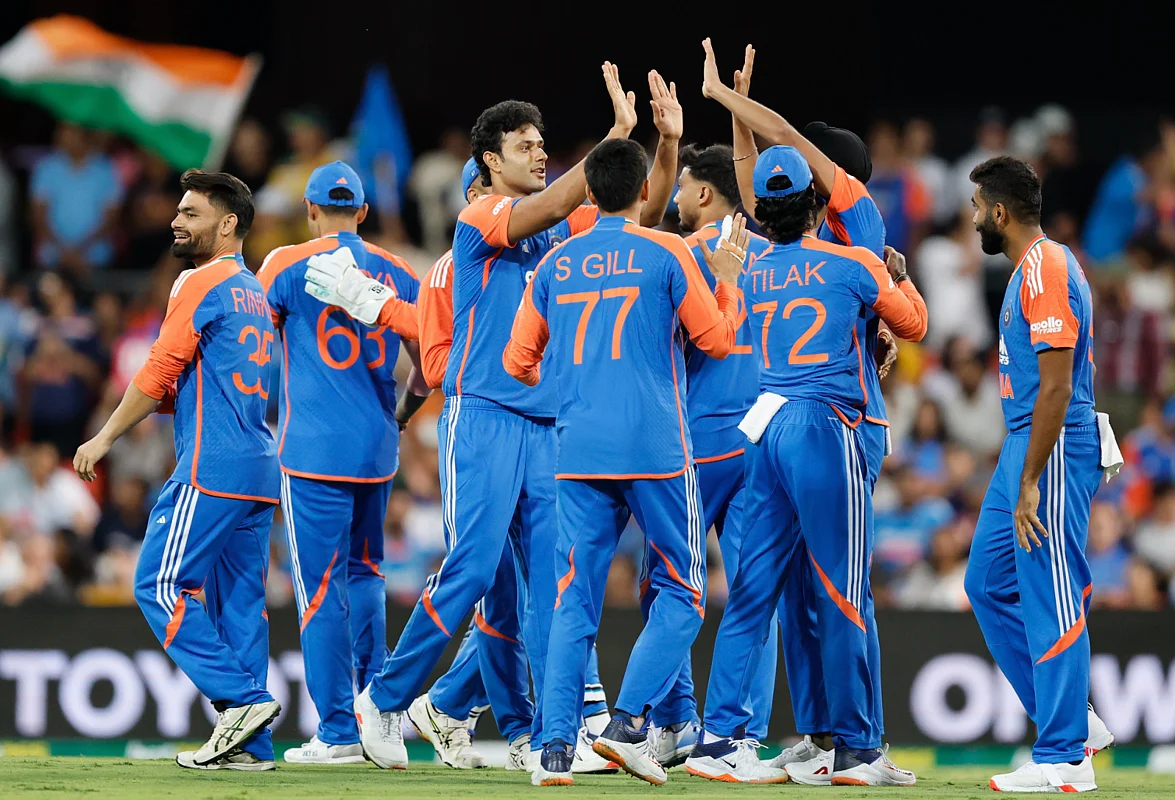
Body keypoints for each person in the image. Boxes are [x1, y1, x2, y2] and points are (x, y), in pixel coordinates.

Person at [312, 63, 675, 770]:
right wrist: (612, 137)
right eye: (524, 145)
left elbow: (639, 207)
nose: (539, 153)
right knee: (474, 569)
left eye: (542, 144)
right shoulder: (479, 220)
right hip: (481, 417)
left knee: (549, 592)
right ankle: (383, 700)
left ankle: (548, 737)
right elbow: (566, 196)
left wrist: (661, 144)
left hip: (547, 427)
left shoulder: (561, 228)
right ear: (488, 161)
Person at [503, 137, 746, 786]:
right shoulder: (668, 251)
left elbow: (517, 363)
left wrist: (573, 382)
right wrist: (726, 282)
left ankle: (555, 751)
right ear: (644, 190)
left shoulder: (554, 263)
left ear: (588, 192)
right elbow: (717, 341)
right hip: (656, 448)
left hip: (578, 448)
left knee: (571, 601)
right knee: (684, 593)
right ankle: (627, 725)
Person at [684, 146, 926, 786]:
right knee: (843, 593)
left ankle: (719, 740)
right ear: (817, 205)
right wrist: (897, 277)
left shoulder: (751, 270)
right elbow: (915, 325)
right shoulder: (853, 264)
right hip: (824, 427)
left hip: (763, 426)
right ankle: (855, 750)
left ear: (761, 212)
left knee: (751, 592)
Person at [73, 170, 281, 770]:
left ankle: (241, 701)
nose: (176, 220)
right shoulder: (251, 289)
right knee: (240, 607)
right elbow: (201, 381)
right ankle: (251, 748)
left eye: (191, 213)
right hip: (258, 466)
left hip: (211, 465)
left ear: (228, 223)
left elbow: (161, 368)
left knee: (158, 586)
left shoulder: (199, 280)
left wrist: (106, 435)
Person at [256, 161, 426, 765]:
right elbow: (429, 365)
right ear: (362, 211)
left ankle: (335, 732)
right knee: (367, 576)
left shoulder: (283, 264)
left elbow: (251, 344)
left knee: (320, 590)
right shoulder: (400, 271)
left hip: (312, 451)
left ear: (309, 210)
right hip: (376, 449)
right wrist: (402, 413)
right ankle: (378, 720)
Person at [964, 156, 1111, 793]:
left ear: (1000, 212)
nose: (973, 218)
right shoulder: (1032, 267)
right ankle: (1073, 718)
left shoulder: (1046, 267)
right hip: (1024, 441)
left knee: (1051, 591)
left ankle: (1065, 756)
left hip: (1049, 444)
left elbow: (1056, 386)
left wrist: (1030, 479)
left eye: (977, 208)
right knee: (986, 582)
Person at [640, 141, 776, 770]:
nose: (676, 198)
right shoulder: (776, 253)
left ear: (702, 192)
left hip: (694, 439)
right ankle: (741, 736)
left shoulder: (681, 252)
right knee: (754, 591)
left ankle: (672, 720)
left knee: (668, 584)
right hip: (763, 437)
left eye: (681, 187)